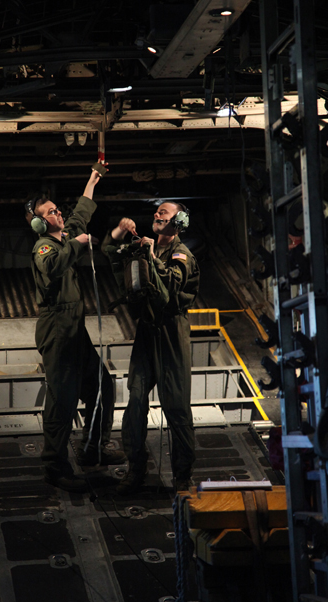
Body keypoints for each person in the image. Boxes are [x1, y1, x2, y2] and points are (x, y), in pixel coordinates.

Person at [26, 168, 125, 493]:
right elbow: (55, 267)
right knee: (62, 401)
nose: (58, 214)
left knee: (102, 386)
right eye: (51, 212)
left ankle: (93, 449)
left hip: (75, 331)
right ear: (40, 223)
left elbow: (81, 215)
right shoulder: (44, 248)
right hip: (58, 331)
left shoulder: (65, 237)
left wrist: (93, 179)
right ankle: (54, 467)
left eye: (57, 209)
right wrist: (79, 244)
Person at [103, 201, 200, 494]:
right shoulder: (144, 248)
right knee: (135, 403)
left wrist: (149, 254)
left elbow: (171, 283)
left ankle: (183, 477)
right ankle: (135, 469)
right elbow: (110, 254)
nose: (157, 215)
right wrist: (119, 231)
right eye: (156, 212)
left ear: (179, 221)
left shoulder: (182, 254)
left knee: (177, 409)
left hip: (172, 333)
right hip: (147, 332)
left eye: (164, 212)